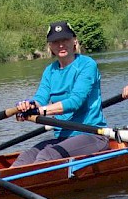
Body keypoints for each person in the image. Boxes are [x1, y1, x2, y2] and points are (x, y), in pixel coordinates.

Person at [11, 21, 110, 166]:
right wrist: (27, 106)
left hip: (92, 135)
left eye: (65, 40)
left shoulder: (87, 65)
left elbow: (75, 102)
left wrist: (39, 112)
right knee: (27, 156)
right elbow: (40, 99)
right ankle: (0, 180)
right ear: (50, 46)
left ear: (74, 41)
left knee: (47, 155)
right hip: (63, 138)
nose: (61, 45)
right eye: (56, 42)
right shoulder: (50, 71)